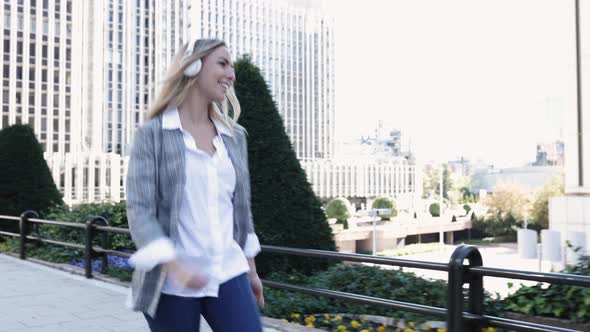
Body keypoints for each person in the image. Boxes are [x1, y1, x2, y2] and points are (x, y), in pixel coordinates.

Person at [125, 38, 264, 332]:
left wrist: (251, 271)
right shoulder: (153, 135)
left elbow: (242, 209)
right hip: (172, 281)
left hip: (228, 271)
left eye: (232, 66)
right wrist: (177, 268)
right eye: (223, 63)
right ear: (194, 67)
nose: (231, 74)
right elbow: (140, 210)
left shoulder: (234, 136)